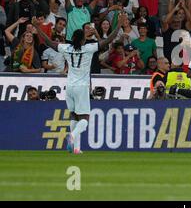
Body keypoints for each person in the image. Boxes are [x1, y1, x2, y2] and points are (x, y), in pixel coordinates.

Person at [31, 13, 126, 155]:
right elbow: (109, 40)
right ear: (83, 40)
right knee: (85, 118)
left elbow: (48, 42)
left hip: (69, 86)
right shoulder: (88, 48)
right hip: (82, 87)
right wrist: (119, 24)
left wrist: (37, 27)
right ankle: (73, 136)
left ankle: (76, 148)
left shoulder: (66, 48)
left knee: (74, 116)